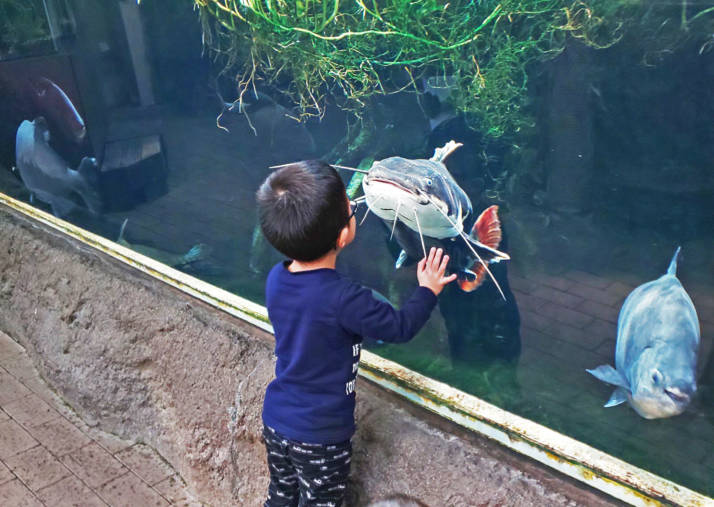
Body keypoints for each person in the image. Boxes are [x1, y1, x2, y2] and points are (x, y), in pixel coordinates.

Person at [255, 160, 456, 507]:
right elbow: (399, 327)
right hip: (320, 437)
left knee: (281, 497)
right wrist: (428, 289)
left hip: (276, 420)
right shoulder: (346, 299)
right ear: (344, 234)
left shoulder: (276, 277)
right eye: (350, 210)